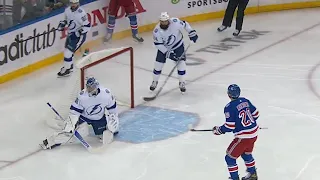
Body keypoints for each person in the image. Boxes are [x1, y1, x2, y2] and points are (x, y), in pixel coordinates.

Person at [40, 77, 119, 149]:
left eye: (91, 87)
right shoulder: (82, 96)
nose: (89, 89)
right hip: (84, 118)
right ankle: (51, 141)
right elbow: (74, 112)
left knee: (108, 133)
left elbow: (113, 110)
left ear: (96, 86)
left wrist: (113, 121)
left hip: (99, 118)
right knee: (72, 135)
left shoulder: (106, 94)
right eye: (88, 87)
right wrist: (71, 123)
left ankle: (107, 129)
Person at [212, 84, 260, 180]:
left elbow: (230, 126)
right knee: (246, 154)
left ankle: (234, 178)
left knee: (229, 158)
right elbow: (256, 114)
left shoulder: (229, 107)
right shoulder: (245, 100)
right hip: (254, 133)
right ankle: (253, 174)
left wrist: (219, 130)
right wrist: (249, 124)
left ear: (229, 94)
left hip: (243, 138)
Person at [150, 12, 198, 93]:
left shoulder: (175, 22)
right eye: (162, 21)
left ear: (168, 20)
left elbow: (185, 24)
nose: (163, 23)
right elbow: (159, 45)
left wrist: (191, 32)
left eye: (165, 21)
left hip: (178, 45)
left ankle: (182, 82)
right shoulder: (156, 31)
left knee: (181, 64)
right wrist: (169, 54)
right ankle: (155, 81)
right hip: (164, 47)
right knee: (158, 65)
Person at [56, 0, 91, 77]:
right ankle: (69, 66)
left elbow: (87, 26)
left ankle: (68, 69)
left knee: (68, 53)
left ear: (78, 3)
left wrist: (78, 33)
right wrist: (61, 25)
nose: (73, 5)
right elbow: (65, 20)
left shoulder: (81, 13)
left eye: (75, 3)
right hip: (70, 35)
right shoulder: (67, 10)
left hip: (78, 37)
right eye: (72, 3)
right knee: (67, 51)